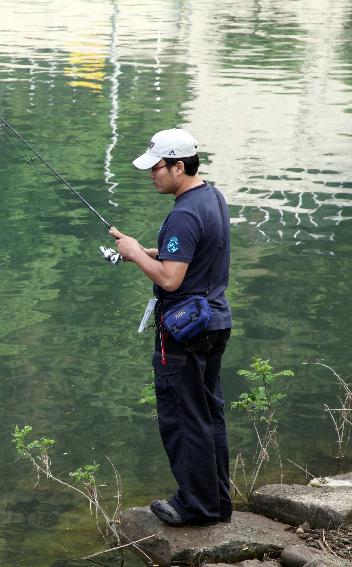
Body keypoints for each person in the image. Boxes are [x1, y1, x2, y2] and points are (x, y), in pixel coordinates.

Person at [109, 128, 232, 526]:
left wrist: (131, 250)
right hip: (215, 322)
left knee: (183, 418)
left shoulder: (181, 213)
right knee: (208, 415)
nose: (152, 175)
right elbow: (193, 253)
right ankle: (217, 503)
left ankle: (195, 507)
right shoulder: (211, 197)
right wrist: (148, 254)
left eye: (157, 168)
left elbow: (170, 280)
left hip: (184, 332)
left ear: (179, 166)